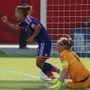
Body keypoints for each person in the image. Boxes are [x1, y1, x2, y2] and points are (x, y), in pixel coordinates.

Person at [2, 6, 61, 79]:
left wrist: (32, 37)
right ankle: (55, 78)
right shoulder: (23, 22)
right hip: (41, 42)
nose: (15, 15)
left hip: (44, 41)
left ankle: (60, 72)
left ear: (21, 13)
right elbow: (15, 27)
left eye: (16, 13)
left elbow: (38, 27)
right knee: (39, 64)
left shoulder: (28, 20)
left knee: (39, 63)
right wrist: (6, 22)